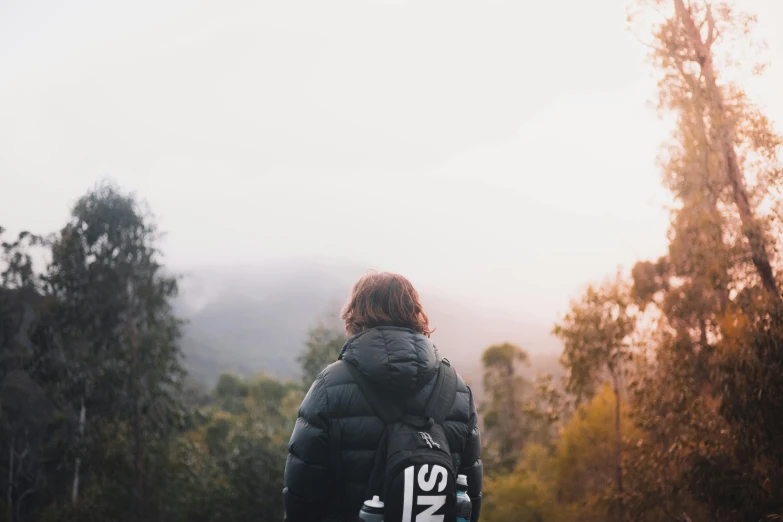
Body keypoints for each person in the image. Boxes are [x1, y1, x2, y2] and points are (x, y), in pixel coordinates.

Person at [283, 271, 482, 522]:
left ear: (356, 313)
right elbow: (469, 499)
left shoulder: (329, 386)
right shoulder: (458, 389)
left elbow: (302, 495)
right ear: (415, 312)